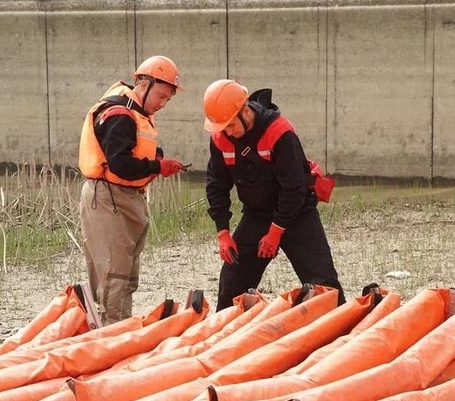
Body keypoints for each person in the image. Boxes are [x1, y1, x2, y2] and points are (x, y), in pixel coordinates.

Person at [202, 79, 344, 309]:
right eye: (222, 128)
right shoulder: (220, 139)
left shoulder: (279, 131)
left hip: (298, 214)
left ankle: (341, 331)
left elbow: (295, 188)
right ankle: (226, 330)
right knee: (232, 279)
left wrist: (276, 232)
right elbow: (216, 186)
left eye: (230, 126)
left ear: (245, 112)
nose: (227, 132)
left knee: (323, 282)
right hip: (256, 214)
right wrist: (223, 233)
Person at [78, 55, 187, 324]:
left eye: (167, 100)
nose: (162, 104)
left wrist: (157, 161)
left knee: (125, 272)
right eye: (161, 96)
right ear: (143, 84)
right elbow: (120, 164)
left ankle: (121, 326)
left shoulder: (135, 113)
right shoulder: (120, 114)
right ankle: (111, 333)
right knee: (114, 273)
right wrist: (157, 168)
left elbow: (133, 151)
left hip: (126, 199)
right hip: (108, 198)